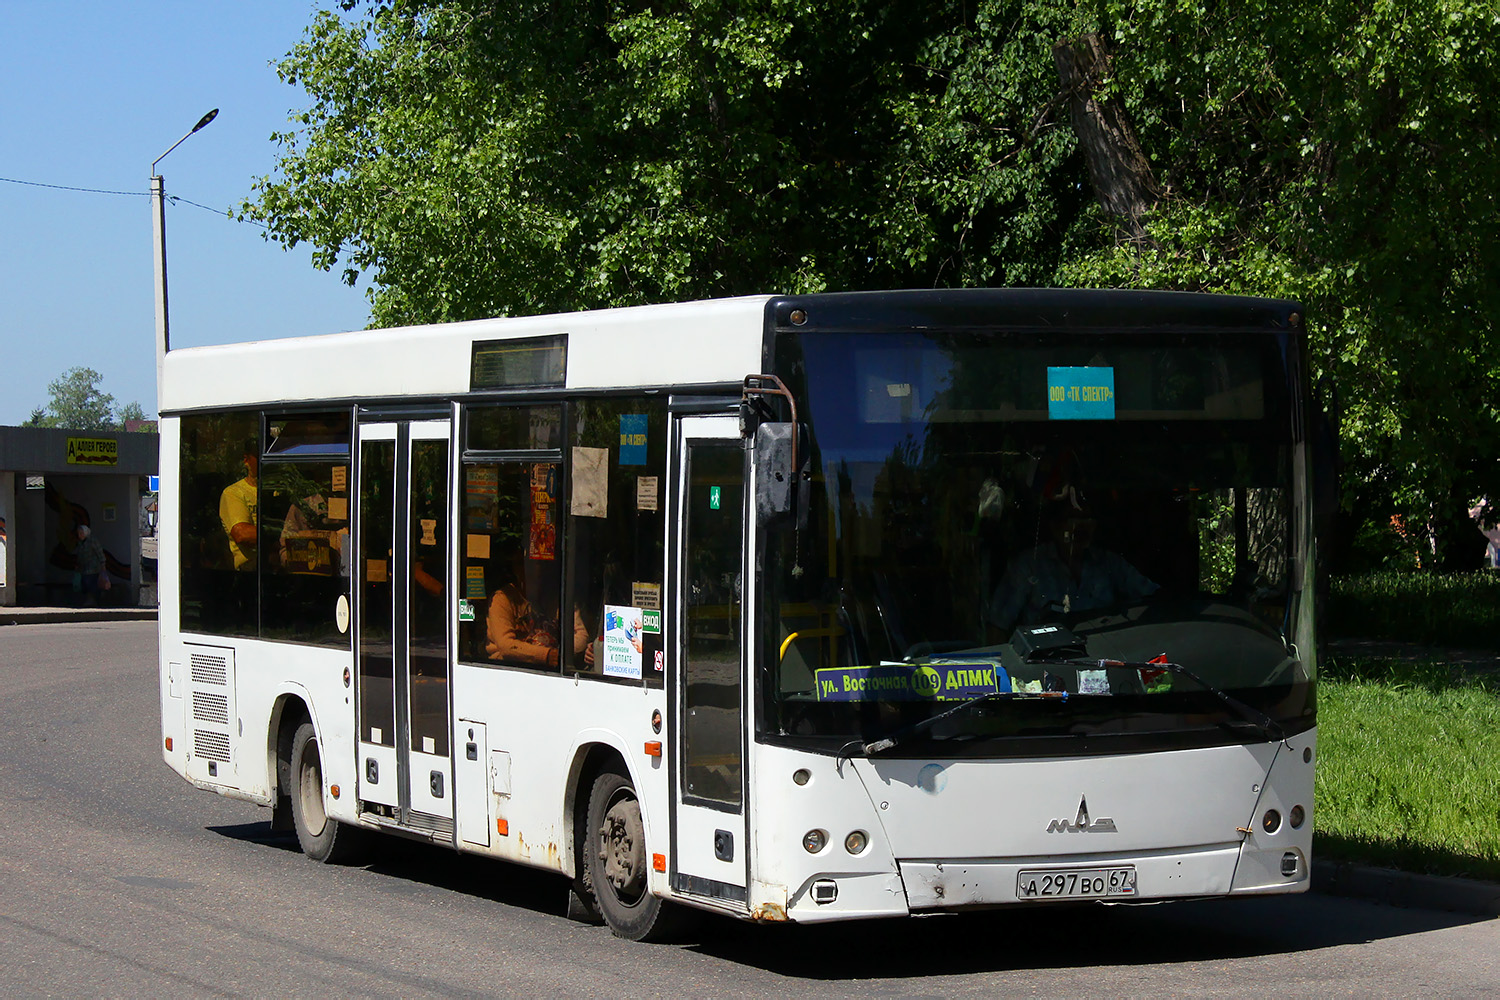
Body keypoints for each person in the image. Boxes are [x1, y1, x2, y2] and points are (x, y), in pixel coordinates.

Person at [987, 493, 1158, 635]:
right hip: (1047, 659)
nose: (1082, 528)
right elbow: (997, 627)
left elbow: (1152, 598)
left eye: (1087, 519)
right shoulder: (1028, 566)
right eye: (1074, 519)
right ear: (1055, 526)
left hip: (1105, 655)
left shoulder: (1109, 563)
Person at [486, 549, 592, 668]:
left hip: (553, 670)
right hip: (511, 669)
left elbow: (581, 635)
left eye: (546, 565)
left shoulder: (558, 598)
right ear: (519, 569)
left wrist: (559, 654)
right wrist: (546, 655)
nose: (542, 570)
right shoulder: (503, 599)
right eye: (535, 564)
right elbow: (506, 645)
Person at [220, 445, 259, 571]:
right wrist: (288, 535)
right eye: (260, 456)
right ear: (246, 460)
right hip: (251, 571)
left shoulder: (282, 491)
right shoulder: (234, 493)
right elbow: (242, 534)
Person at [74, 524, 107, 606]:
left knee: (91, 584)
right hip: (83, 568)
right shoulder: (80, 543)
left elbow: (99, 552)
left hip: (93, 567)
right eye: (78, 533)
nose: (80, 535)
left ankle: (93, 600)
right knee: (84, 585)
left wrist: (103, 564)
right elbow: (79, 555)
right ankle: (90, 600)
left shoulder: (92, 541)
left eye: (81, 533)